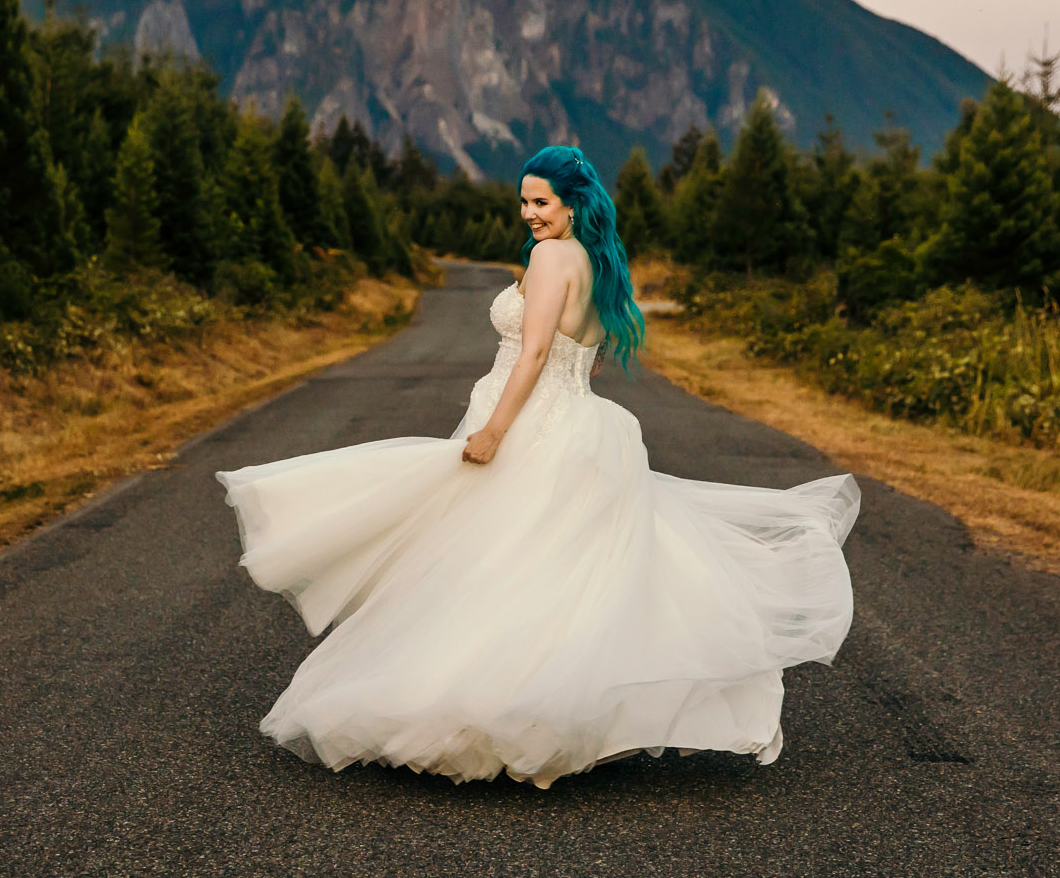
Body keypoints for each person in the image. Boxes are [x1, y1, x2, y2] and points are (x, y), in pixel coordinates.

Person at [214, 145, 860, 789]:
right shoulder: (599, 262)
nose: (528, 213)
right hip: (577, 419)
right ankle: (537, 713)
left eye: (541, 201)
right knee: (539, 570)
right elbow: (589, 354)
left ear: (573, 203)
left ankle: (485, 712)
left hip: (529, 425)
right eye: (523, 200)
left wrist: (496, 429)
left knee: (487, 564)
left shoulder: (551, 257)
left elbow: (534, 352)